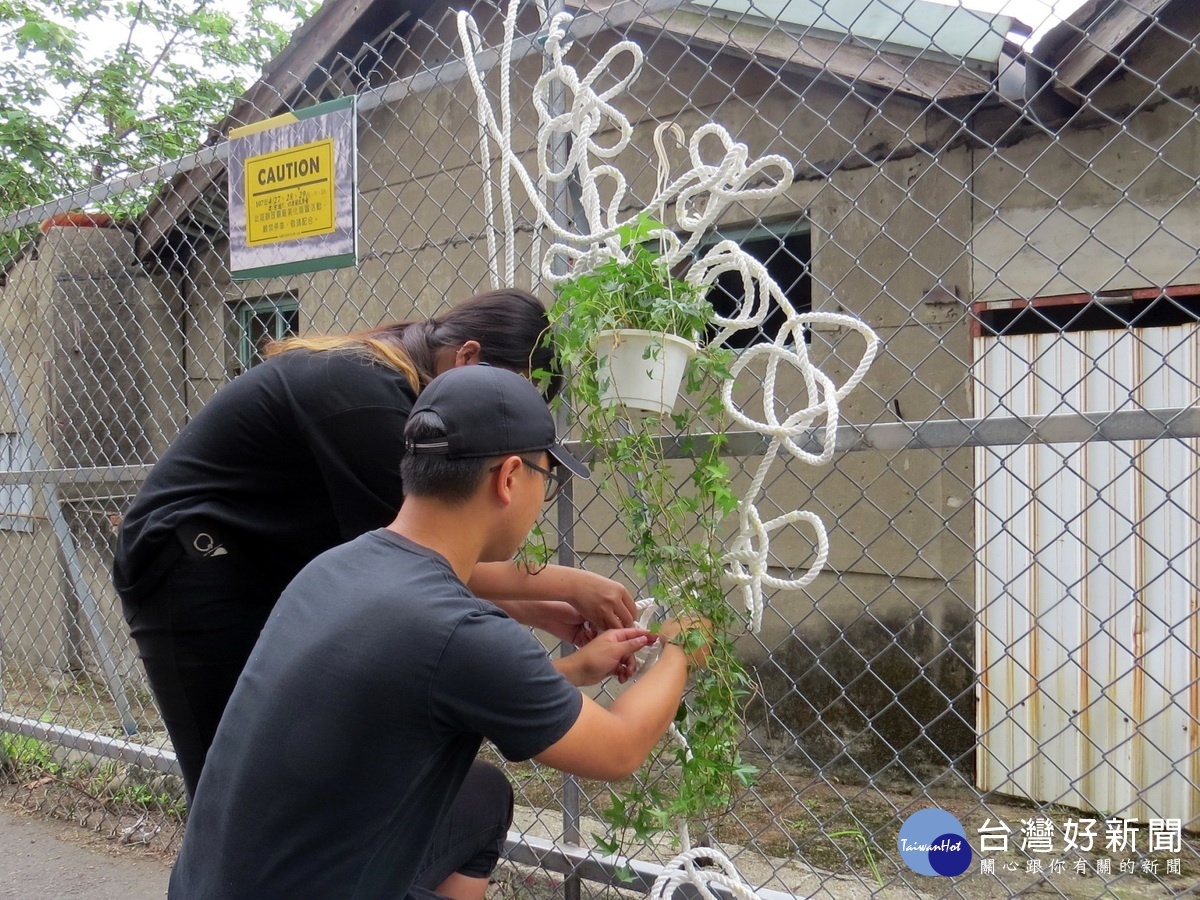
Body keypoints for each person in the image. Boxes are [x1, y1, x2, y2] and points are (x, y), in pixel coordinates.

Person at [168, 364, 710, 899]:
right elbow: (618, 749)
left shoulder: (333, 567)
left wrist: (570, 669)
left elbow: (421, 685)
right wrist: (682, 650)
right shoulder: (458, 631)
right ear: (509, 477)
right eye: (548, 476)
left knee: (478, 795)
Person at [112, 289, 637, 799]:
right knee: (232, 787)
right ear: (467, 357)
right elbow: (418, 558)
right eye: (507, 396)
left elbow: (426, 564)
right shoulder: (367, 394)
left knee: (292, 780)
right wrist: (567, 584)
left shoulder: (398, 390)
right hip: (195, 566)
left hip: (253, 570)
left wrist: (541, 610)